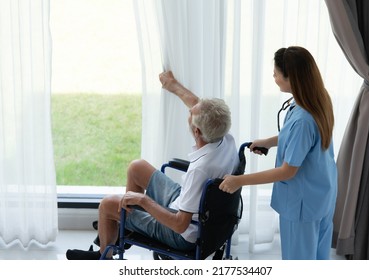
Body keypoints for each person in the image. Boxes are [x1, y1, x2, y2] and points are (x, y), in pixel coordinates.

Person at [66, 71, 239, 260]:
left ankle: (104, 254)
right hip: (194, 208)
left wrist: (143, 201)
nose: (190, 110)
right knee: (136, 167)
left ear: (196, 131)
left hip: (181, 232)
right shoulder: (225, 138)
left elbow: (180, 225)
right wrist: (173, 85)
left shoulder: (200, 170)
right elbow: (199, 107)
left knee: (107, 204)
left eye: (191, 114)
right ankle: (123, 228)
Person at [219, 46, 337, 260]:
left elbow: (287, 171)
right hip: (322, 196)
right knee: (319, 259)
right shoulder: (318, 100)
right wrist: (270, 142)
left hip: (302, 205)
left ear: (292, 77)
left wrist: (239, 181)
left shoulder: (302, 119)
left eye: (276, 73)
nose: (273, 76)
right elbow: (306, 141)